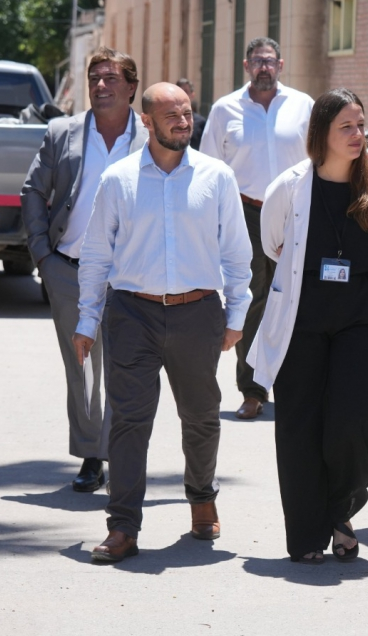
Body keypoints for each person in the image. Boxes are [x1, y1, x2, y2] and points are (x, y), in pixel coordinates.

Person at [75, 83, 252, 563]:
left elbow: (237, 253)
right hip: (133, 313)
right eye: (171, 115)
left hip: (198, 312)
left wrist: (236, 314)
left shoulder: (216, 177)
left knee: (201, 415)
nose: (183, 121)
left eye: (187, 113)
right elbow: (96, 254)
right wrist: (87, 319)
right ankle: (123, 525)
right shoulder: (118, 179)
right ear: (147, 122)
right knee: (129, 421)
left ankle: (202, 497)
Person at [248, 89, 368, 564]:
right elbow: (272, 245)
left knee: (353, 423)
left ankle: (339, 510)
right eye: (346, 127)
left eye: (361, 126)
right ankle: (308, 535)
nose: (358, 135)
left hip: (358, 323)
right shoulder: (289, 187)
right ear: (321, 134)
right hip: (301, 324)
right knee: (299, 428)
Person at [20, 46, 147, 494]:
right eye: (95, 78)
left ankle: (118, 452)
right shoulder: (63, 132)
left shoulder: (149, 137)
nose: (101, 85)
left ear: (132, 88)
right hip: (69, 271)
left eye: (111, 78)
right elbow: (33, 190)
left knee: (125, 368)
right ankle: (92, 455)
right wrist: (43, 255)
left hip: (130, 276)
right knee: (82, 368)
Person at [201, 36, 315, 421]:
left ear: (280, 65)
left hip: (295, 215)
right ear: (246, 66)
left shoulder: (303, 106)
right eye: (257, 61)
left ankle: (293, 386)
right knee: (251, 300)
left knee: (295, 298)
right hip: (245, 213)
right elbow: (209, 169)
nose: (263, 67)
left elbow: (319, 158)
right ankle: (252, 390)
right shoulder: (225, 109)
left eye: (269, 61)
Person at [175, 78, 206, 149]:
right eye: (179, 91)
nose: (182, 95)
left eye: (186, 91)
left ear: (192, 95)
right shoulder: (168, 119)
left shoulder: (201, 122)